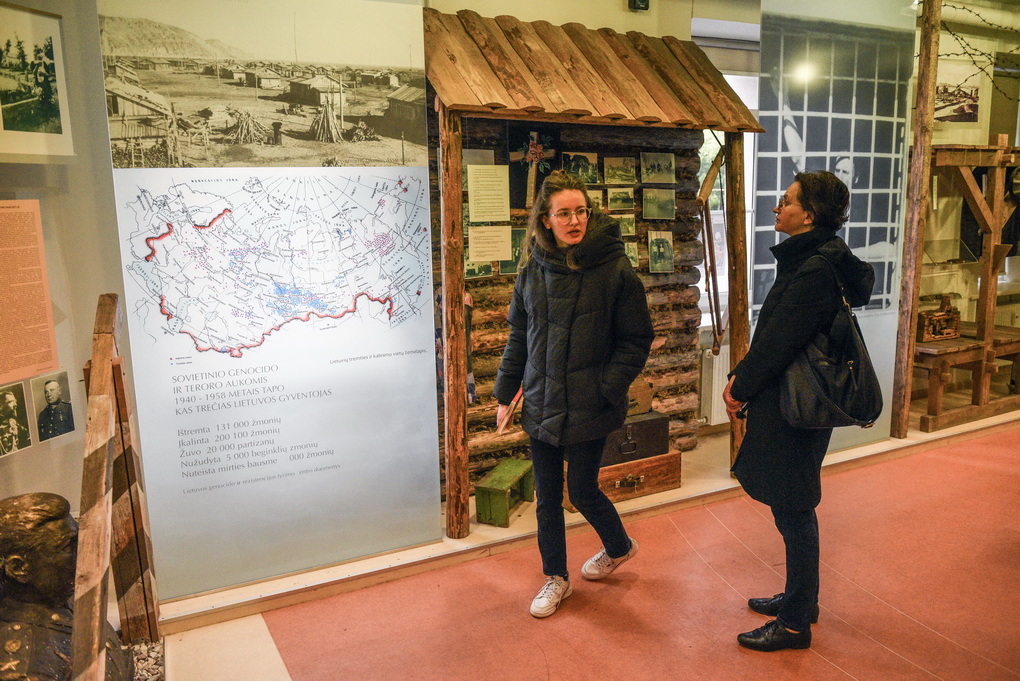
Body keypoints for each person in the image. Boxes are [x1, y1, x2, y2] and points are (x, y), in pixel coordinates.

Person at [723, 171, 874, 652]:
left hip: (795, 404)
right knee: (792, 505)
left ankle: (793, 624)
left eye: (786, 201)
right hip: (794, 401)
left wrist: (739, 385)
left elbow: (778, 341)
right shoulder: (815, 258)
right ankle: (800, 601)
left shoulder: (813, 269)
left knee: (794, 507)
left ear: (808, 215)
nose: (777, 207)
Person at [494, 171, 653, 618]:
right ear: (546, 220)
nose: (574, 220)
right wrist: (505, 393)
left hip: (590, 402)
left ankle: (618, 546)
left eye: (581, 211)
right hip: (542, 399)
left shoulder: (615, 270)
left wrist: (607, 386)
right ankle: (556, 578)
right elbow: (519, 337)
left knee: (582, 490)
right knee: (547, 498)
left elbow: (636, 339)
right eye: (563, 213)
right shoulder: (532, 270)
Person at [0, 492, 133, 680]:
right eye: (68, 545)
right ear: (19, 568)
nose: (83, 550)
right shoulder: (28, 667)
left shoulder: (59, 595)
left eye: (79, 538)